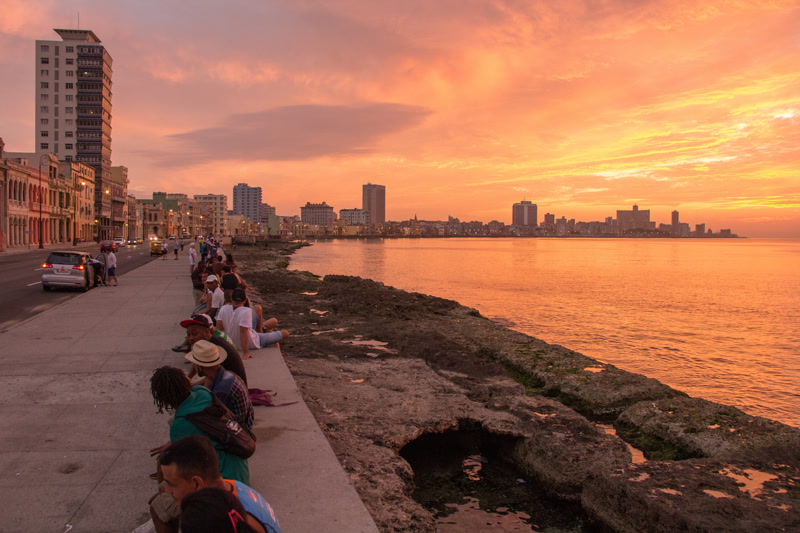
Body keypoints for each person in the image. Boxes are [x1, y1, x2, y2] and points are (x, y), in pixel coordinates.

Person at [148, 435, 281, 533]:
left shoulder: (216, 519)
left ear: (196, 483)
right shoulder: (230, 487)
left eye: (172, 485)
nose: (167, 491)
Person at [149, 366, 249, 484]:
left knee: (164, 496)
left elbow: (184, 471)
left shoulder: (179, 426)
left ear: (163, 400)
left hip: (224, 482)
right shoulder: (202, 392)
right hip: (240, 471)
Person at [185, 340, 253, 430]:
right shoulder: (225, 374)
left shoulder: (221, 390)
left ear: (200, 366)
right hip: (244, 421)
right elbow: (206, 379)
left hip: (237, 432)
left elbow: (215, 420)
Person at [177, 313, 247, 386]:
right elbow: (197, 360)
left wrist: (190, 387)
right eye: (188, 335)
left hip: (232, 388)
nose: (190, 338)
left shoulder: (214, 349)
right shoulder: (206, 346)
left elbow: (211, 377)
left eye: (194, 334)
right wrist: (188, 379)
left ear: (207, 332)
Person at [217, 289, 288, 359]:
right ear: (245, 300)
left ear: (231, 299)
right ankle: (263, 331)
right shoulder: (246, 311)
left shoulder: (223, 309)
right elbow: (243, 332)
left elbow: (218, 329)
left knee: (258, 308)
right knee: (285, 333)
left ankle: (261, 330)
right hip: (253, 341)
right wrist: (246, 353)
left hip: (234, 340)